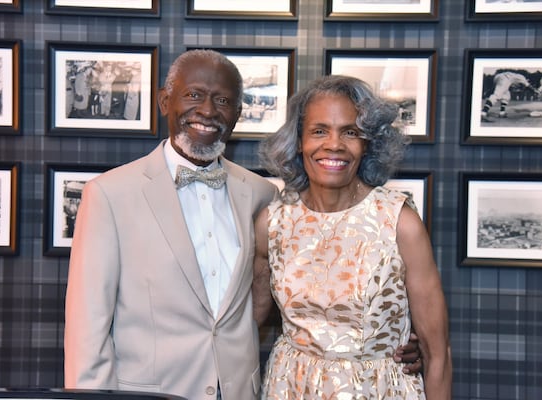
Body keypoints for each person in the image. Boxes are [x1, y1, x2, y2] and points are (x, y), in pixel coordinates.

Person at [64, 50, 421, 400]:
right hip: (149, 394)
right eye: (193, 95)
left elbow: (301, 296)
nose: (207, 111)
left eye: (222, 100)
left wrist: (393, 337)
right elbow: (87, 330)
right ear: (164, 101)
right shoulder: (109, 195)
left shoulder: (262, 195)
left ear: (236, 114)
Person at [253, 75, 451, 399]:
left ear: (368, 143)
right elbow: (245, 320)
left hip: (379, 390)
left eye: (351, 132)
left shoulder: (400, 222)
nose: (334, 144)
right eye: (319, 131)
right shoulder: (272, 223)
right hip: (290, 386)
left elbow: (437, 352)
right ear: (298, 140)